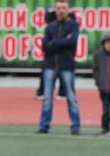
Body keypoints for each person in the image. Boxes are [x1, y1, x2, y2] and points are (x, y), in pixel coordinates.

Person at [37, 0, 81, 135]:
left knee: (71, 97)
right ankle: (44, 126)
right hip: (50, 66)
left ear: (68, 10)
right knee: (47, 98)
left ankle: (75, 126)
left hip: (67, 66)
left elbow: (72, 42)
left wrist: (54, 42)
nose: (61, 10)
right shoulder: (50, 27)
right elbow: (45, 46)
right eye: (58, 8)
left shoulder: (73, 25)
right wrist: (63, 42)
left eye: (64, 8)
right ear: (55, 10)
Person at [33, 6, 76, 101]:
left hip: (65, 48)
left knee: (65, 69)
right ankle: (42, 92)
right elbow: (46, 21)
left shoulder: (70, 10)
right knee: (46, 68)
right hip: (52, 45)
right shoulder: (51, 10)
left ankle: (63, 93)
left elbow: (73, 26)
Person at [93, 32, 110, 136]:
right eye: (107, 42)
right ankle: (105, 128)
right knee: (105, 110)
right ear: (103, 43)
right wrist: (98, 82)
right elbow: (95, 70)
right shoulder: (98, 55)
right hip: (104, 88)